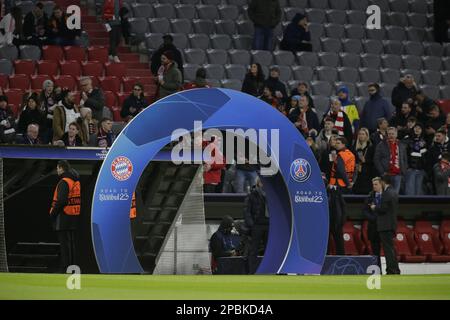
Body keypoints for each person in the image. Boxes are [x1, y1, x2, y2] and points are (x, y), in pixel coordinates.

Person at [363, 176, 401, 274]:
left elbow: (384, 209)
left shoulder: (387, 194)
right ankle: (377, 271)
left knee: (388, 249)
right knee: (375, 251)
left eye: (376, 184)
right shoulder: (370, 195)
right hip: (374, 226)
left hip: (384, 226)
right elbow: (365, 210)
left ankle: (392, 270)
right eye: (373, 185)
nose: (374, 186)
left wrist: (375, 208)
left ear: (381, 184)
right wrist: (372, 218)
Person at [49, 160, 81, 273]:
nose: (57, 170)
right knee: (71, 244)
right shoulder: (75, 181)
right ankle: (72, 268)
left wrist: (52, 214)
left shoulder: (64, 181)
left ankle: (65, 268)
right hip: (73, 215)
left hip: (63, 216)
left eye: (57, 168)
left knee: (64, 245)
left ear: (61, 168)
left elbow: (61, 201)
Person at [328, 137, 355, 255]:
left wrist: (348, 183)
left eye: (338, 143)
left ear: (344, 144)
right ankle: (340, 253)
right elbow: (356, 170)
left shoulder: (341, 155)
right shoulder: (351, 154)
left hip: (337, 188)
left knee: (335, 221)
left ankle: (333, 253)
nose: (336, 144)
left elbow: (340, 170)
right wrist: (351, 183)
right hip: (345, 188)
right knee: (340, 219)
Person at [245, 177, 269, 274]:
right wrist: (252, 225)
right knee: (253, 250)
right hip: (257, 225)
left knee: (269, 250)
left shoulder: (272, 195)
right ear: (258, 183)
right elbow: (246, 211)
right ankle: (252, 271)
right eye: (261, 182)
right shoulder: (252, 194)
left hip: (269, 225)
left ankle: (268, 270)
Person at [374, 127, 408, 194]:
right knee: (385, 194)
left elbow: (404, 159)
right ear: (387, 135)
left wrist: (404, 170)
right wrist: (382, 172)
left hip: (398, 174)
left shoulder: (401, 145)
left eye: (393, 134)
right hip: (386, 174)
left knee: (395, 196)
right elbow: (376, 159)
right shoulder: (381, 145)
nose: (391, 135)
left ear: (396, 135)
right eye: (389, 134)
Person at [404, 123, 428, 195]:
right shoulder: (407, 140)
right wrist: (407, 167)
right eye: (416, 127)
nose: (417, 129)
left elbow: (425, 157)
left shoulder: (424, 142)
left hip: (420, 169)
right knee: (410, 192)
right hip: (410, 169)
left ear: (422, 130)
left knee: (419, 192)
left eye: (419, 128)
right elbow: (405, 155)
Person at [352, 128, 375, 195]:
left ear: (366, 136)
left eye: (363, 134)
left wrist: (366, 161)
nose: (361, 136)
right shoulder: (354, 147)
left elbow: (374, 160)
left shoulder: (370, 147)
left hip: (367, 173)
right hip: (356, 172)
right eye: (359, 134)